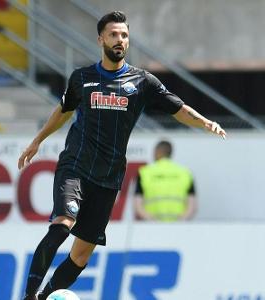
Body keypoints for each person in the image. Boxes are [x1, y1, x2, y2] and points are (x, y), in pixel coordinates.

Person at [18, 11, 226, 300]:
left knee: (80, 256)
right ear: (101, 38)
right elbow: (64, 110)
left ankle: (45, 297)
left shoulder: (143, 82)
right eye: (114, 34)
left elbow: (179, 109)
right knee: (63, 225)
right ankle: (29, 296)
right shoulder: (82, 78)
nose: (120, 40)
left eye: (124, 35)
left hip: (108, 178)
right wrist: (38, 140)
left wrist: (205, 122)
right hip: (76, 167)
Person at [134, 140, 197, 221]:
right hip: (178, 226)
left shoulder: (144, 173)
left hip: (152, 226)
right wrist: (179, 222)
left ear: (157, 151)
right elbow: (192, 207)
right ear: (170, 153)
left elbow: (138, 206)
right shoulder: (185, 173)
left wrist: (152, 221)